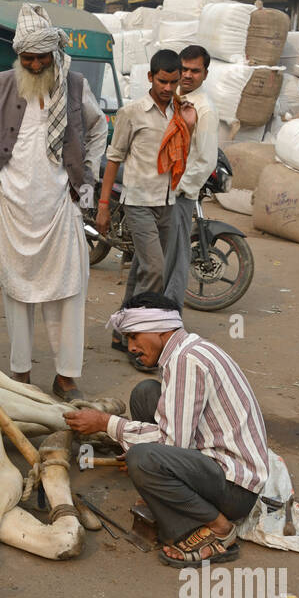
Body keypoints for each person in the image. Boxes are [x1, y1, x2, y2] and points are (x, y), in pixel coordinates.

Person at [0, 2, 107, 401]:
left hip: (61, 205)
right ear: (18, 56)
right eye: (28, 58)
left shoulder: (74, 85)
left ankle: (65, 377)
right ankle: (20, 374)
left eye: (41, 58)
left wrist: (88, 174)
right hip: (13, 205)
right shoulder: (0, 83)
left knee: (69, 291)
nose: (35, 66)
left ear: (54, 54)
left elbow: (98, 127)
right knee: (17, 292)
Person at [64, 293, 268, 566]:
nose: (132, 347)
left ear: (160, 329)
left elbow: (172, 442)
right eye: (128, 340)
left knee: (143, 459)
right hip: (218, 465)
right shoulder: (186, 350)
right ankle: (163, 484)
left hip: (236, 490)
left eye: (135, 337)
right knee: (145, 393)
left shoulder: (187, 361)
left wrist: (105, 423)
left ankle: (217, 529)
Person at [98, 49, 198, 365]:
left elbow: (182, 153)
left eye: (173, 82)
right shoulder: (132, 113)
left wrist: (191, 126)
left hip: (168, 202)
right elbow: (113, 159)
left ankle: (122, 330)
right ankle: (141, 342)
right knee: (154, 269)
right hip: (138, 203)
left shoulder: (182, 112)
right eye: (162, 81)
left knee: (143, 269)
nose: (168, 88)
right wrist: (103, 206)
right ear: (150, 78)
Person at [161, 44, 219, 309]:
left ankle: (170, 320)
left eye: (195, 71)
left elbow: (206, 159)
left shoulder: (204, 109)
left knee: (174, 261)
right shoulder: (169, 95)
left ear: (205, 74)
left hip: (179, 195)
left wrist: (179, 188)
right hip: (157, 189)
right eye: (183, 68)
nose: (187, 75)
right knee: (154, 259)